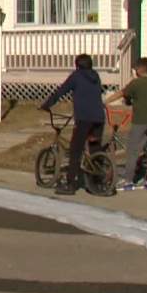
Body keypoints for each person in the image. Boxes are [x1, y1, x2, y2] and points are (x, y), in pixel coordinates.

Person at [41, 54, 106, 195]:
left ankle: (70, 184)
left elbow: (61, 91)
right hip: (99, 118)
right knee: (95, 148)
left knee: (75, 150)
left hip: (84, 118)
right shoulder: (95, 76)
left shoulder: (76, 76)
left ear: (77, 65)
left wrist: (47, 104)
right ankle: (97, 181)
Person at [105, 58, 147, 191]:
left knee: (133, 150)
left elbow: (122, 93)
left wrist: (106, 101)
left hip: (140, 121)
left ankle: (128, 181)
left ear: (138, 70)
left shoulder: (136, 83)